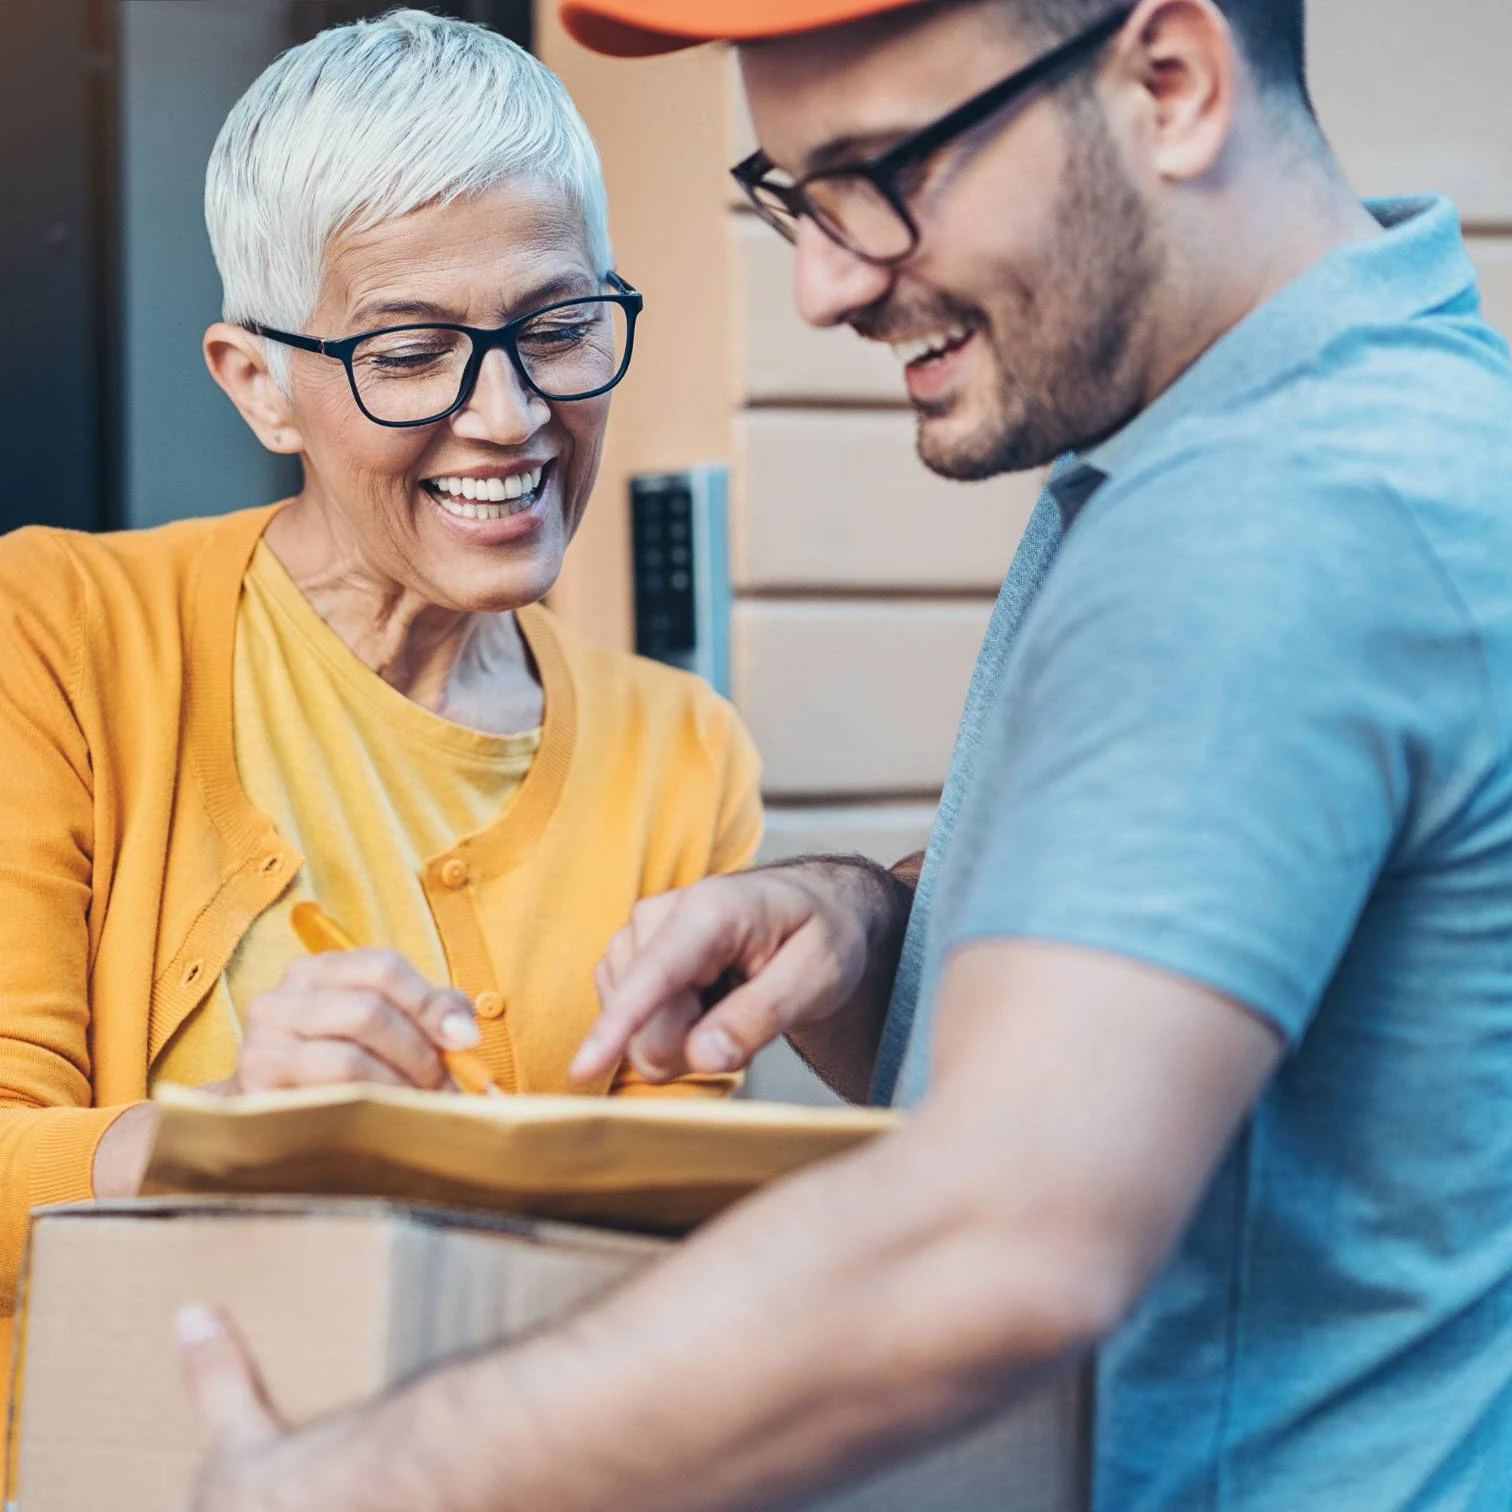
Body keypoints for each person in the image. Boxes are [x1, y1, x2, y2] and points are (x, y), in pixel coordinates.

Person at [181, 1, 1512, 1508]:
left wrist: (361, 1481)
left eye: (881, 172)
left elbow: (997, 1238)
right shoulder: (1385, 428)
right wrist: (889, 936)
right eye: (794, 198)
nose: (821, 285)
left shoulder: (1267, 521)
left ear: (1171, 81)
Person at [0, 7, 763, 1402]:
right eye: (410, 353)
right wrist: (226, 1139)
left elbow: (670, 1260)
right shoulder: (55, 632)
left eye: (560, 325)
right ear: (260, 384)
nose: (511, 415)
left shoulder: (682, 756)